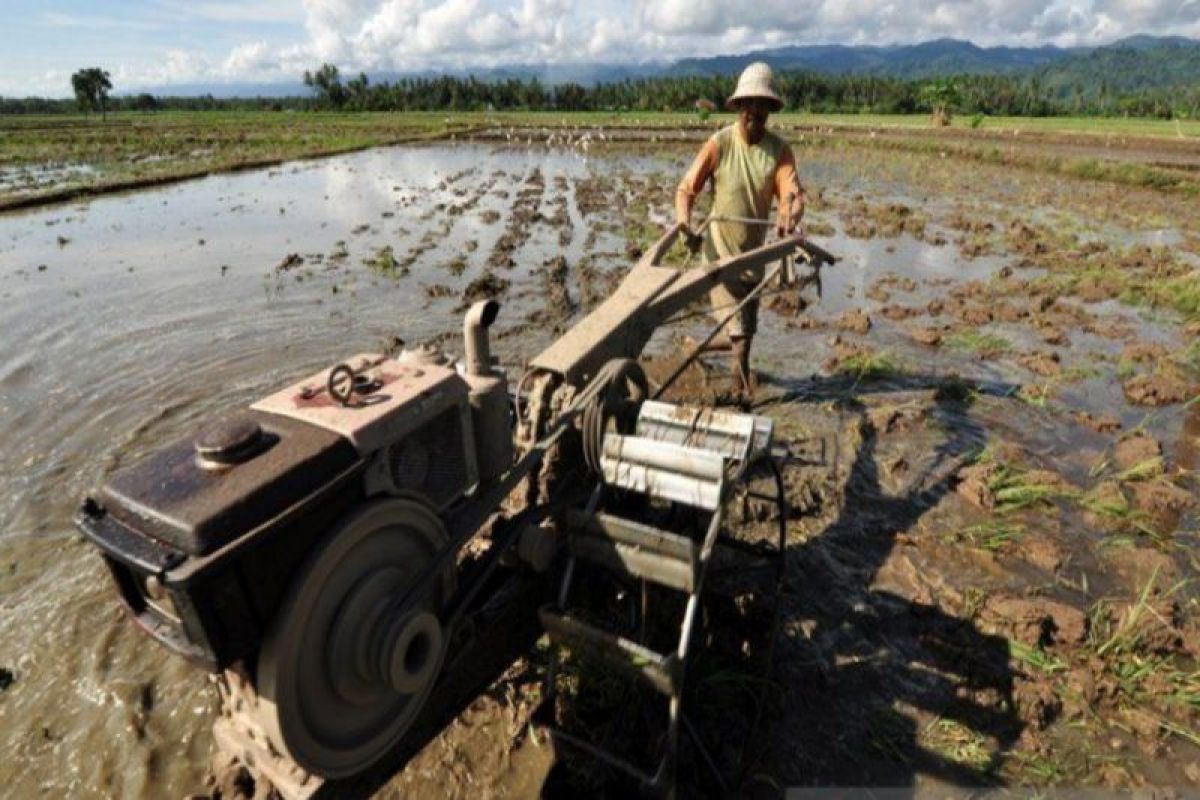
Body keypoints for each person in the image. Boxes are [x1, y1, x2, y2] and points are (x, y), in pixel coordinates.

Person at [675, 62, 806, 397]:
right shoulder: (720, 144)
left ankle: (695, 348)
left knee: (745, 331)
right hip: (719, 255)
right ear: (739, 106)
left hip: (753, 258)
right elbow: (686, 189)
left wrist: (789, 214)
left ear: (770, 109)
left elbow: (793, 193)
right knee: (740, 338)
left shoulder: (779, 151)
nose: (755, 112)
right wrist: (683, 222)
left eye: (763, 105)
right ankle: (739, 394)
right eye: (750, 103)